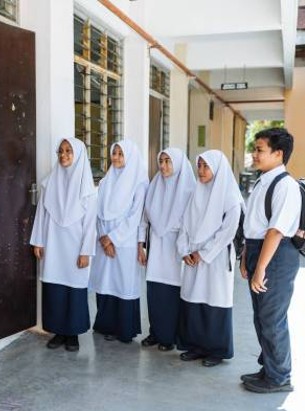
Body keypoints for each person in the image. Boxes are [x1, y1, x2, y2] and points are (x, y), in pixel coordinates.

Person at [240, 128, 301, 393]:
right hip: (258, 250)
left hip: (274, 256)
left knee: (272, 319)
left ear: (278, 154)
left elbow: (275, 230)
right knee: (261, 317)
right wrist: (246, 259)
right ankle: (269, 369)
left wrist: (260, 268)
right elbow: (253, 225)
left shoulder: (285, 185)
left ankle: (280, 378)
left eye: (260, 149)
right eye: (255, 149)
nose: (254, 154)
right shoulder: (263, 180)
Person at [176, 150, 244, 367]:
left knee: (214, 301)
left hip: (215, 257)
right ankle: (195, 345)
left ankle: (216, 350)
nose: (201, 171)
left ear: (217, 169)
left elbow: (228, 232)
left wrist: (202, 254)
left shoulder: (230, 197)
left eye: (206, 167)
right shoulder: (197, 192)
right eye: (200, 166)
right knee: (193, 299)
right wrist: (184, 250)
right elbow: (184, 224)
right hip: (193, 257)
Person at [30, 137, 97, 352]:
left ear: (78, 155)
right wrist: (38, 241)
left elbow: (90, 225)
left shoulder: (88, 190)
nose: (64, 155)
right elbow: (41, 214)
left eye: (69, 151)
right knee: (55, 287)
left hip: (76, 246)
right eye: (60, 151)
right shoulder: (49, 184)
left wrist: (86, 251)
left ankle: (73, 334)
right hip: (54, 244)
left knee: (74, 288)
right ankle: (58, 331)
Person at [90, 139, 148, 343]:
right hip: (104, 239)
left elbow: (135, 217)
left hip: (124, 242)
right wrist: (103, 239)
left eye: (120, 154)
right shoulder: (106, 181)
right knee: (105, 282)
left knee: (122, 284)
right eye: (114, 153)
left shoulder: (139, 183)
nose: (115, 158)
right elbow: (97, 212)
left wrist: (112, 239)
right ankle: (105, 324)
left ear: (129, 156)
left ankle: (124, 329)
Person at [138, 148, 196, 351]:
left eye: (168, 161)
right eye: (161, 161)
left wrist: (185, 248)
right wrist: (140, 245)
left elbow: (190, 224)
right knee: (155, 291)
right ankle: (155, 332)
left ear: (178, 163)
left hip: (176, 248)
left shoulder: (189, 189)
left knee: (172, 293)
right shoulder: (155, 185)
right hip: (156, 245)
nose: (163, 166)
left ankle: (169, 337)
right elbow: (144, 219)